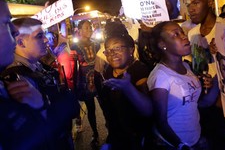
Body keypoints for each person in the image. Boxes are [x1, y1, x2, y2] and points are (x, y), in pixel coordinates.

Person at [2, 16, 79, 149]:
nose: (46, 39)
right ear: (20, 42)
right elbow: (35, 129)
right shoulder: (17, 78)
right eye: (39, 36)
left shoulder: (38, 64)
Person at [186, 0, 225, 149]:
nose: (191, 9)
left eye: (196, 3)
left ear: (210, 3)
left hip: (223, 104)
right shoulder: (192, 33)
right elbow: (194, 65)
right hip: (201, 102)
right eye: (188, 5)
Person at [147, 21, 214, 150]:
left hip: (196, 137)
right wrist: (180, 145)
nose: (184, 36)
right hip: (174, 144)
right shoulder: (161, 77)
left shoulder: (186, 66)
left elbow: (195, 103)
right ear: (163, 45)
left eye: (182, 32)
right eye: (175, 34)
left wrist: (211, 84)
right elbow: (160, 121)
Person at [94, 29, 152, 150]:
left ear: (131, 50)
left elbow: (148, 110)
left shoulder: (139, 70)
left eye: (118, 48)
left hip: (137, 139)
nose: (112, 53)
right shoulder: (108, 71)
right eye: (108, 50)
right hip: (116, 137)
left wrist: (128, 88)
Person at [70, 19, 100, 147]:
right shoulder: (74, 46)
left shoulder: (97, 44)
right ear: (80, 30)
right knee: (91, 109)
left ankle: (111, 129)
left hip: (98, 79)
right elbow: (72, 66)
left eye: (90, 27)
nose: (89, 30)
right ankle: (95, 134)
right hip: (85, 82)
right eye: (86, 28)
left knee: (106, 106)